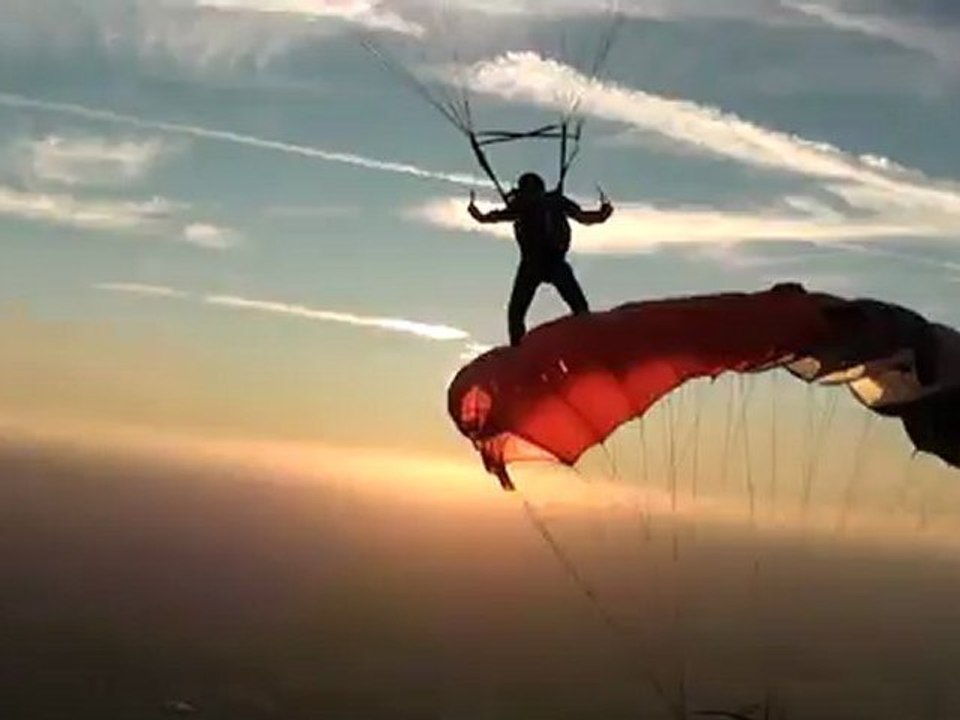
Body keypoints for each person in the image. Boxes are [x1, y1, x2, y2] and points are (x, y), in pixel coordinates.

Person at [468, 172, 614, 346]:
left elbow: (493, 217)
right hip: (545, 262)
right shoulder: (549, 202)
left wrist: (478, 214)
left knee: (518, 313)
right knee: (577, 307)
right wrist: (602, 214)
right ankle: (587, 340)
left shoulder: (527, 203)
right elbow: (584, 217)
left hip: (539, 263)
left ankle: (519, 351)